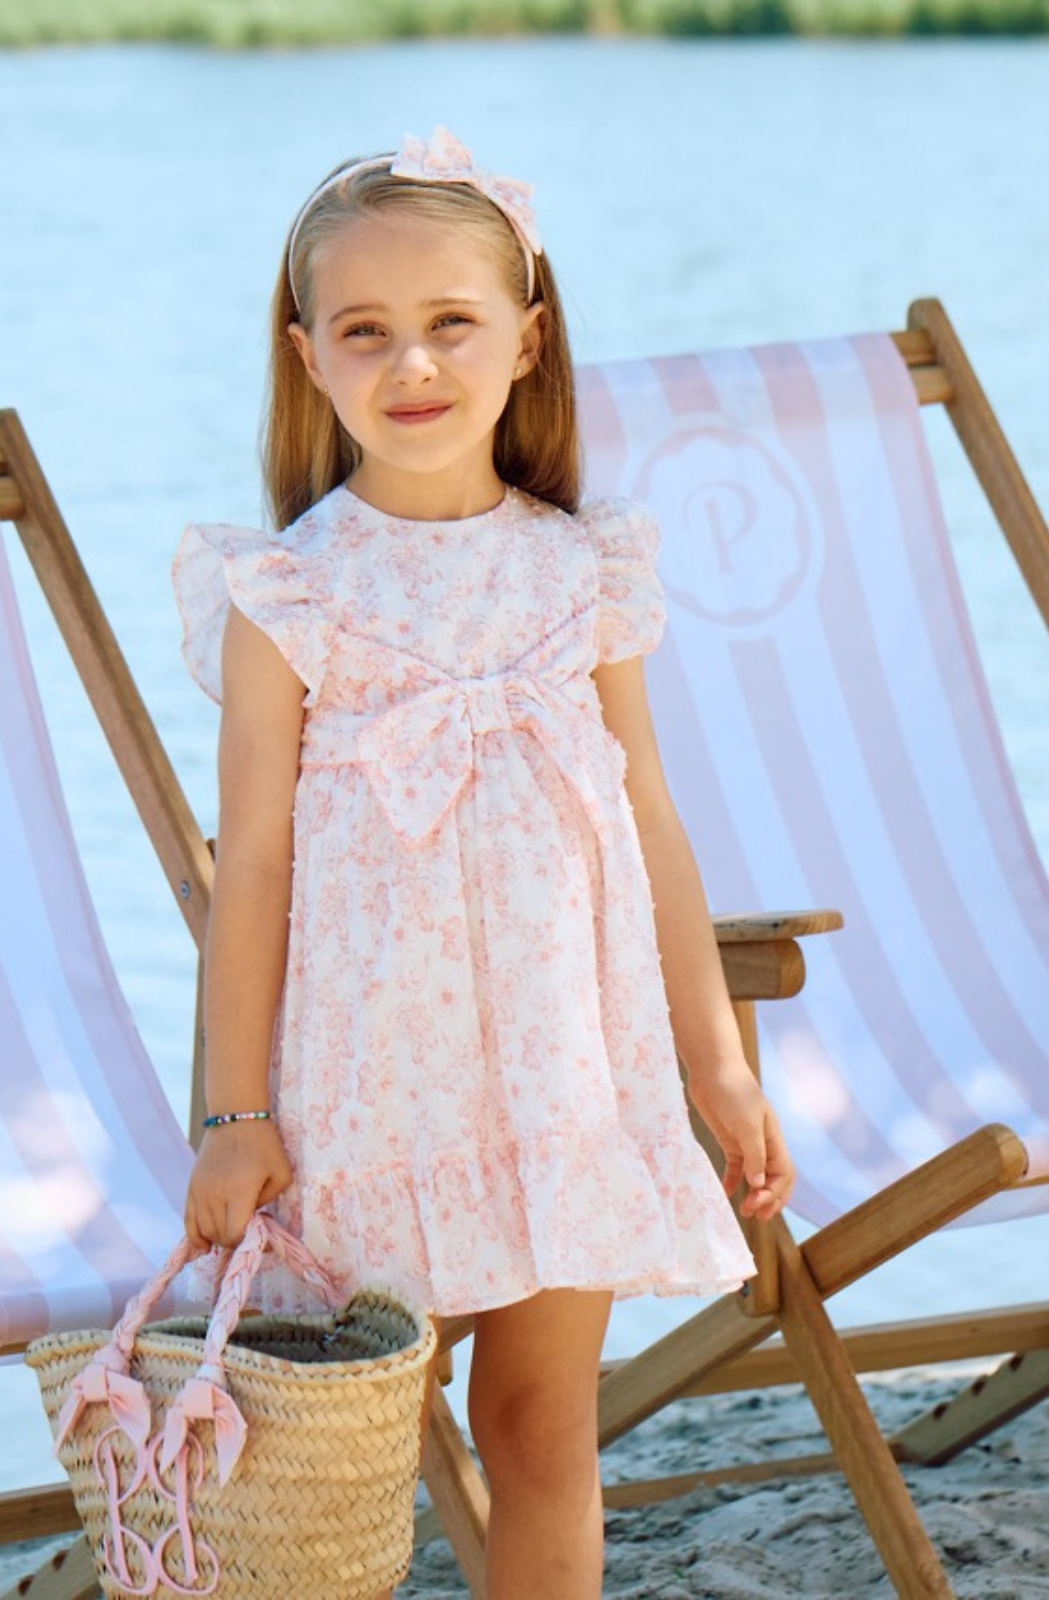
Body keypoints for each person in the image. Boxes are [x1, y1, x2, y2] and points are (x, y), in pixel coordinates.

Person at [171, 126, 795, 1598]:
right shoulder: (290, 592)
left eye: (451, 323)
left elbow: (652, 825)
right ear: (308, 355)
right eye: (366, 332)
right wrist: (233, 1112)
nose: (414, 367)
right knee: (355, 1428)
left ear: (528, 336)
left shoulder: (584, 572)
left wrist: (719, 1067)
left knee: (541, 1424)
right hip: (365, 1090)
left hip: (567, 1079)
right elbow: (249, 867)